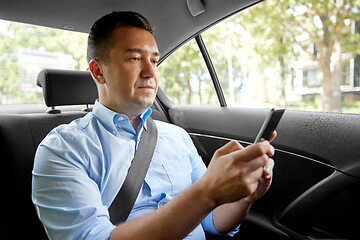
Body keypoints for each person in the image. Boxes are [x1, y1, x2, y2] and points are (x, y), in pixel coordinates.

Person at [32, 11, 276, 240]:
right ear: (98, 72)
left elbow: (212, 220)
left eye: (155, 60)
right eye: (135, 58)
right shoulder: (63, 149)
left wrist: (244, 198)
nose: (151, 72)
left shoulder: (177, 136)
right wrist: (206, 193)